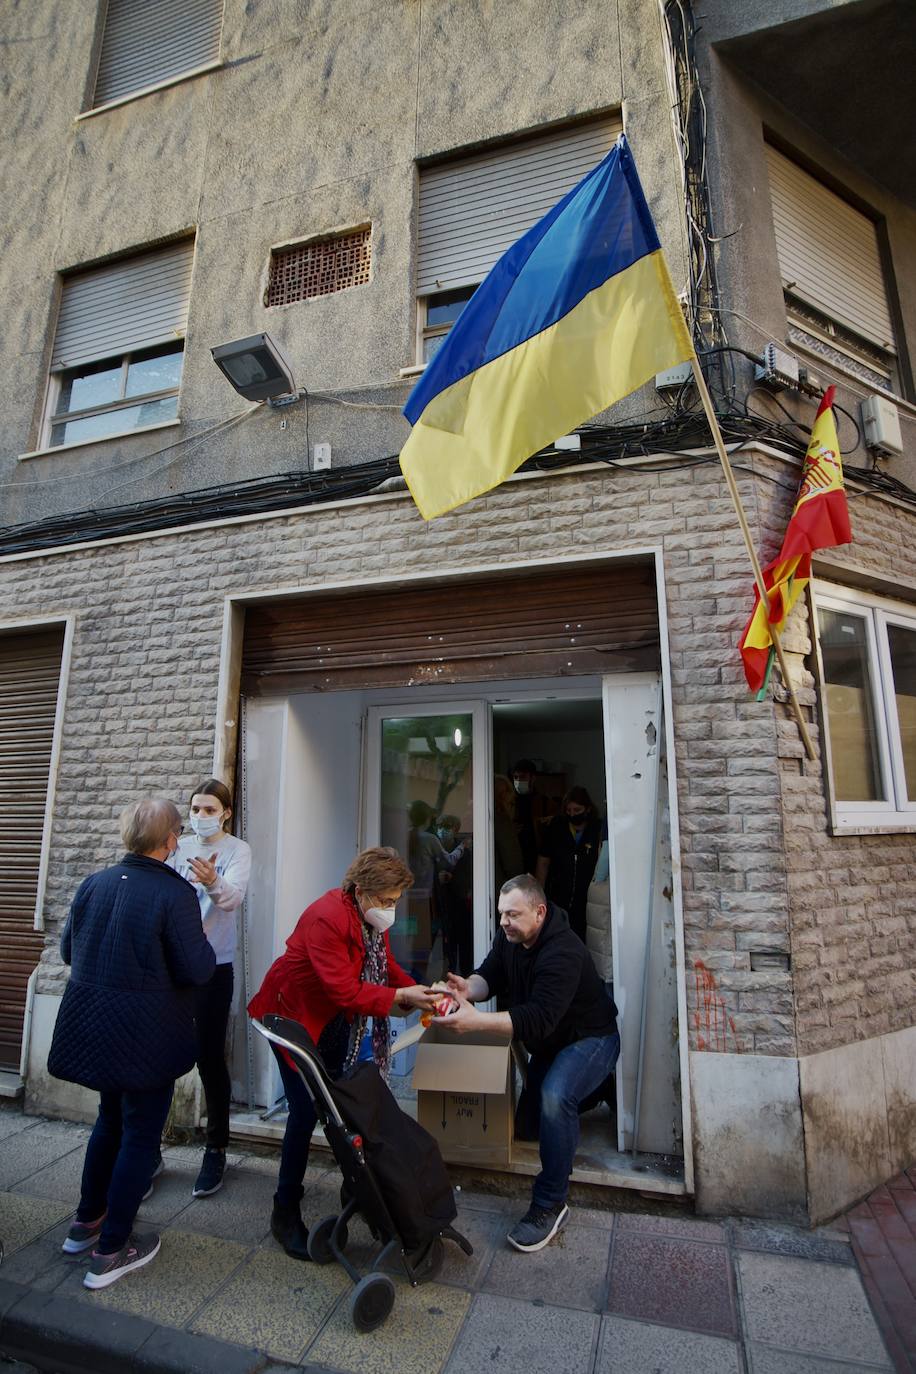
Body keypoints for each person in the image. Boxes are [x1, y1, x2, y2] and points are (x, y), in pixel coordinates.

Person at [47, 799, 215, 1290]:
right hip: (146, 1036)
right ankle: (113, 1248)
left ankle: (85, 1224)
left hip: (94, 1027)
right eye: (179, 832)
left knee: (109, 1122)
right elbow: (198, 968)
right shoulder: (175, 893)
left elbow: (67, 951)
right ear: (169, 842)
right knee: (141, 1135)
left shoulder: (94, 883)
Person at [247, 847, 442, 1260]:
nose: (391, 909)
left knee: (343, 1106)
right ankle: (284, 1211)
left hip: (333, 1020)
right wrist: (399, 996)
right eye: (387, 901)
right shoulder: (326, 917)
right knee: (304, 1112)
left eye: (395, 901)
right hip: (293, 1018)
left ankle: (356, 1184)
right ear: (360, 890)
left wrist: (420, 991)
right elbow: (344, 990)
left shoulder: (370, 917)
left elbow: (385, 966)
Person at [437, 874, 619, 1253]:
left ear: (539, 911)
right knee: (529, 1128)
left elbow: (536, 1018)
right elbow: (489, 974)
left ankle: (550, 1203)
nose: (503, 922)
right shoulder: (511, 937)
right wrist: (467, 988)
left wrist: (475, 1021)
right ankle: (600, 1088)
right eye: (501, 913)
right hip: (552, 1043)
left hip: (590, 1038)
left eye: (512, 914)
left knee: (556, 1097)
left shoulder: (563, 951)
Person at [167, 778, 251, 1199]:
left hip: (215, 966)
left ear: (226, 812)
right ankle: (148, 1149)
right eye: (196, 809)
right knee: (159, 1054)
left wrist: (213, 881)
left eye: (209, 810)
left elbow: (233, 899)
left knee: (209, 1057)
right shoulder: (175, 846)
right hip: (171, 967)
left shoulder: (238, 850)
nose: (201, 817)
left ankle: (215, 1147)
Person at [535, 786, 603, 944]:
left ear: (588, 809)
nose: (572, 814)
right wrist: (538, 894)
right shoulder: (556, 826)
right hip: (558, 896)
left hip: (587, 899)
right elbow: (543, 861)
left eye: (577, 810)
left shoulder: (596, 829)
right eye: (569, 810)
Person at [510, 758, 555, 874]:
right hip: (514, 859)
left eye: (523, 777)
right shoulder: (508, 803)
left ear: (533, 778)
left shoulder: (545, 803)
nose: (519, 781)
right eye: (516, 777)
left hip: (537, 859)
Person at [493, 775, 524, 896]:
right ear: (503, 798)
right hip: (500, 890)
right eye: (511, 803)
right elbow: (513, 864)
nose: (513, 810)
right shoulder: (502, 820)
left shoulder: (474, 818)